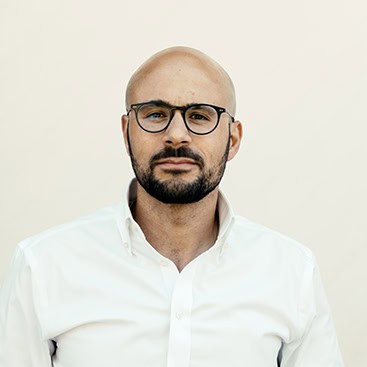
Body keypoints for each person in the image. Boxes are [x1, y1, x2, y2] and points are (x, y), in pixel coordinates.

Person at [0, 46, 344, 367]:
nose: (177, 134)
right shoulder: (43, 265)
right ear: (126, 132)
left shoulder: (291, 271)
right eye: (155, 114)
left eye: (199, 116)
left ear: (234, 139)